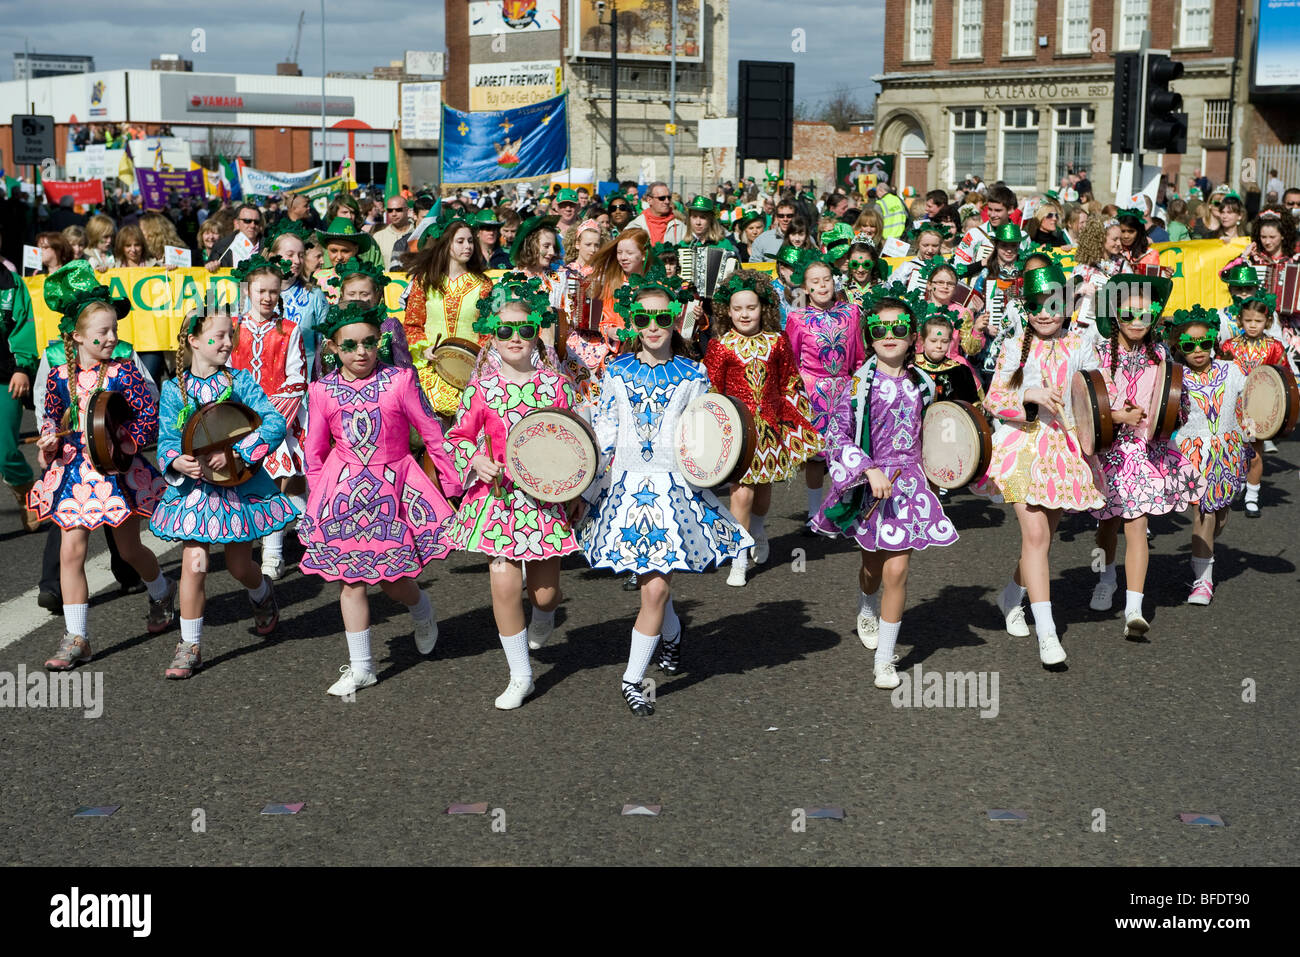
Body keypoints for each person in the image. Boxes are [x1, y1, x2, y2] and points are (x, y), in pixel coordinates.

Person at [576, 272, 752, 716]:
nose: (652, 326)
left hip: (675, 488)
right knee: (654, 583)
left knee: (654, 589)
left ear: (676, 321)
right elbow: (606, 428)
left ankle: (632, 679)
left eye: (662, 318)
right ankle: (671, 637)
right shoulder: (615, 370)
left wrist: (713, 469)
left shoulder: (694, 373)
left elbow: (707, 430)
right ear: (633, 322)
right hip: (627, 487)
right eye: (643, 318)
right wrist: (594, 483)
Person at [298, 302, 460, 696]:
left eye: (369, 342)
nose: (361, 351)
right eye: (350, 345)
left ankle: (421, 610)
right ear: (333, 349)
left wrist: (455, 486)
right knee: (349, 582)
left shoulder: (400, 380)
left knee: (393, 584)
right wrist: (318, 500)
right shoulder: (321, 391)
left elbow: (433, 434)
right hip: (342, 494)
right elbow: (315, 452)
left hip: (393, 488)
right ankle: (362, 667)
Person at [28, 261, 175, 670]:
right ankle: (78, 638)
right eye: (103, 332)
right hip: (74, 468)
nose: (112, 338)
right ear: (76, 336)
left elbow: (149, 415)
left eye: (115, 330)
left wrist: (127, 439)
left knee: (129, 549)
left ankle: (161, 589)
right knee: (71, 553)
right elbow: (50, 414)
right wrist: (47, 439)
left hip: (115, 467)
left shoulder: (125, 371)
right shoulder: (60, 373)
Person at [810, 284, 958, 688]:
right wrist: (867, 469)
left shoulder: (924, 384)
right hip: (868, 486)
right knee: (872, 567)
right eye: (879, 328)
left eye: (898, 328)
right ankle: (865, 602)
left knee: (899, 570)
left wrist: (948, 468)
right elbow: (836, 435)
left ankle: (885, 659)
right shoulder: (858, 385)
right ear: (869, 336)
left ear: (913, 335)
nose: (888, 335)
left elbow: (937, 431)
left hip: (908, 484)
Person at [444, 276, 582, 709]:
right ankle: (520, 675)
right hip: (497, 498)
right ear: (492, 335)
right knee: (503, 583)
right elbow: (458, 436)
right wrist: (474, 460)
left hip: (544, 500)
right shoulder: (481, 388)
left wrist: (575, 486)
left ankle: (545, 614)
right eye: (505, 330)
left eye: (525, 329)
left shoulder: (558, 387)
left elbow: (580, 439)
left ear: (536, 332)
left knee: (544, 592)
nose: (516, 338)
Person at [973, 263, 1106, 667]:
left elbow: (1099, 391)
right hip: (1022, 446)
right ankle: (1047, 634)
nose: (1044, 313)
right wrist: (1029, 395)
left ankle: (1010, 596)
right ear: (1025, 307)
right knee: (1035, 538)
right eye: (1035, 305)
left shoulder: (1081, 344)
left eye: (1052, 304)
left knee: (1043, 539)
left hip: (1067, 451)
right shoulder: (1014, 346)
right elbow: (994, 399)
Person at [149, 307, 293, 678]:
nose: (228, 343)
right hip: (195, 493)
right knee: (194, 563)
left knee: (238, 566)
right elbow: (166, 438)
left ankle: (261, 593)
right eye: (218, 337)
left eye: (231, 335)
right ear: (194, 341)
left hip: (236, 487)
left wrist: (238, 453)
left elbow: (274, 422)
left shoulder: (240, 382)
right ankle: (190, 645)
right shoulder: (173, 389)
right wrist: (176, 461)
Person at [1088, 274, 1199, 638]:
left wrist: (1167, 415)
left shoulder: (1161, 354)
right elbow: (1086, 404)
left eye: (1146, 312)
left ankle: (1134, 609)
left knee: (1137, 525)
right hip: (1109, 450)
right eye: (1128, 312)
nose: (1137, 320)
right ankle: (1105, 577)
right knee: (1108, 524)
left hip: (1146, 451)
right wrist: (1118, 416)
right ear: (1115, 315)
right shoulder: (1099, 351)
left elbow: (1173, 400)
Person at [703, 272, 822, 587]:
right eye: (738, 308)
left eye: (751, 307)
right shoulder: (720, 346)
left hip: (770, 431)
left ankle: (758, 528)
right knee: (740, 495)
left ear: (763, 308)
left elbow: (790, 383)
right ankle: (739, 558)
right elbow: (711, 389)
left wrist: (798, 424)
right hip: (737, 433)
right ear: (727, 311)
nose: (744, 314)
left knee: (763, 492)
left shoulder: (777, 341)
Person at [1163, 305, 1252, 606]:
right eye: (1189, 345)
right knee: (1205, 513)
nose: (1198, 350)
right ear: (1178, 347)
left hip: (1229, 452)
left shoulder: (1233, 370)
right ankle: (1202, 581)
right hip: (1193, 453)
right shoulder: (1176, 379)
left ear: (1213, 340)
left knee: (1221, 516)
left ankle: (1203, 555)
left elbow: (1255, 397)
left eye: (1204, 342)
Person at [227, 255, 306, 581]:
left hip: (275, 421)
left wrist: (268, 420)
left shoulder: (289, 330)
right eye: (261, 290)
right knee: (236, 484)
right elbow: (221, 371)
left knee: (274, 483)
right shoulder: (231, 328)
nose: (267, 297)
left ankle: (272, 553)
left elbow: (296, 378)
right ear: (247, 290)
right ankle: (242, 546)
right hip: (233, 419)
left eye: (274, 291)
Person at [784, 252, 865, 526]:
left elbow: (858, 356)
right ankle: (814, 511)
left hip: (843, 390)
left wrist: (858, 387)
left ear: (835, 281)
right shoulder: (797, 318)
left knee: (845, 451)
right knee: (817, 457)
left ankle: (844, 509)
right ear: (805, 289)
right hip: (812, 394)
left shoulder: (851, 312)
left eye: (827, 279)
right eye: (815, 282)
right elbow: (792, 360)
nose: (822, 286)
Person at [400, 210, 492, 417]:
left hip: (471, 372)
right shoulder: (425, 281)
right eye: (460, 241)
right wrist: (424, 349)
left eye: (470, 241)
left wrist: (481, 362)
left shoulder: (484, 285)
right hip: (431, 368)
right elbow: (412, 324)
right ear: (446, 244)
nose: (467, 246)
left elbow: (488, 331)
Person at [1219, 291, 1287, 518]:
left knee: (1255, 453)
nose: (1252, 325)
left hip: (1258, 409)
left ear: (1267, 322)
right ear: (1240, 320)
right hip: (1233, 407)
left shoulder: (1274, 347)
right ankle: (1235, 484)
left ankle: (1252, 497)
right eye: (1248, 321)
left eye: (1258, 321)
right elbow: (1221, 375)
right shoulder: (1229, 346)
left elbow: (1282, 379)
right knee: (1233, 450)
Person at [1, 256, 40, 530]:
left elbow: (24, 327)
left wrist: (22, 368)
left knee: (5, 450)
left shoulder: (11, 283)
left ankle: (25, 488)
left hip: (5, 375)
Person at [913, 304, 984, 407]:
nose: (939, 346)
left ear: (950, 342)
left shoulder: (960, 372)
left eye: (944, 341)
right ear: (922, 341)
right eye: (933, 341)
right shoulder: (911, 368)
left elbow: (970, 406)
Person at [205, 203, 264, 271]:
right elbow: (209, 276)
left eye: (256, 222)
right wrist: (210, 266)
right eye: (247, 221)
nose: (252, 225)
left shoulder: (269, 247)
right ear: (236, 223)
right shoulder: (221, 246)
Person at [371, 196, 412, 266]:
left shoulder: (418, 233)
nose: (394, 214)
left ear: (407, 211)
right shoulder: (378, 237)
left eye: (398, 210)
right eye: (390, 210)